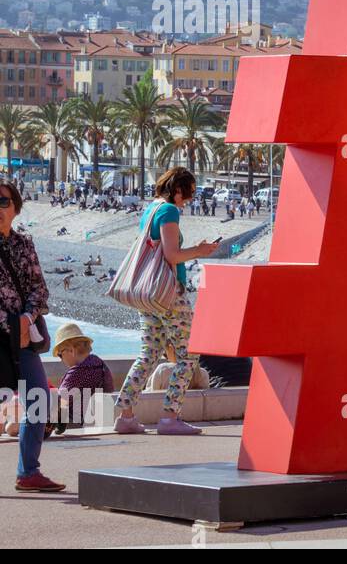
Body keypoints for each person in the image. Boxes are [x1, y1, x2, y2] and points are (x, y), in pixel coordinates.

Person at [114, 167, 220, 436]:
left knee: (148, 354)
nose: (190, 199)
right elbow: (172, 255)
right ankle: (170, 416)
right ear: (177, 190)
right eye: (189, 192)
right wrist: (201, 250)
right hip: (170, 294)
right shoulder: (170, 211)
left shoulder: (151, 209)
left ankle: (125, 415)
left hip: (148, 296)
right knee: (188, 356)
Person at [0, 181, 64, 491]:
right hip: (10, 335)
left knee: (37, 400)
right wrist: (14, 325)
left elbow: (40, 288)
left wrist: (26, 318)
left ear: (15, 208)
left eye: (3, 201)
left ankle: (28, 472)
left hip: (22, 338)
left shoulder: (23, 244)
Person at [51, 323, 114, 433]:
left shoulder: (76, 373)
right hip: (96, 418)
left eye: (60, 355)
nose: (61, 360)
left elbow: (61, 402)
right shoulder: (100, 363)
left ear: (71, 350)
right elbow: (110, 388)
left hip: (75, 422)